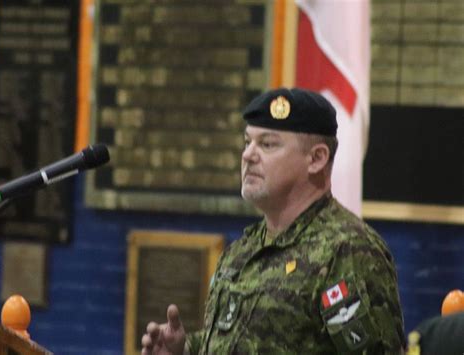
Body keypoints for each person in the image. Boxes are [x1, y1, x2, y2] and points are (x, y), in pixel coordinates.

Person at [141, 87, 405, 354]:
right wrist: (186, 350)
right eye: (248, 142)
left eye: (267, 144)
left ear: (316, 158)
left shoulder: (348, 250)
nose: (248, 155)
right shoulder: (243, 250)